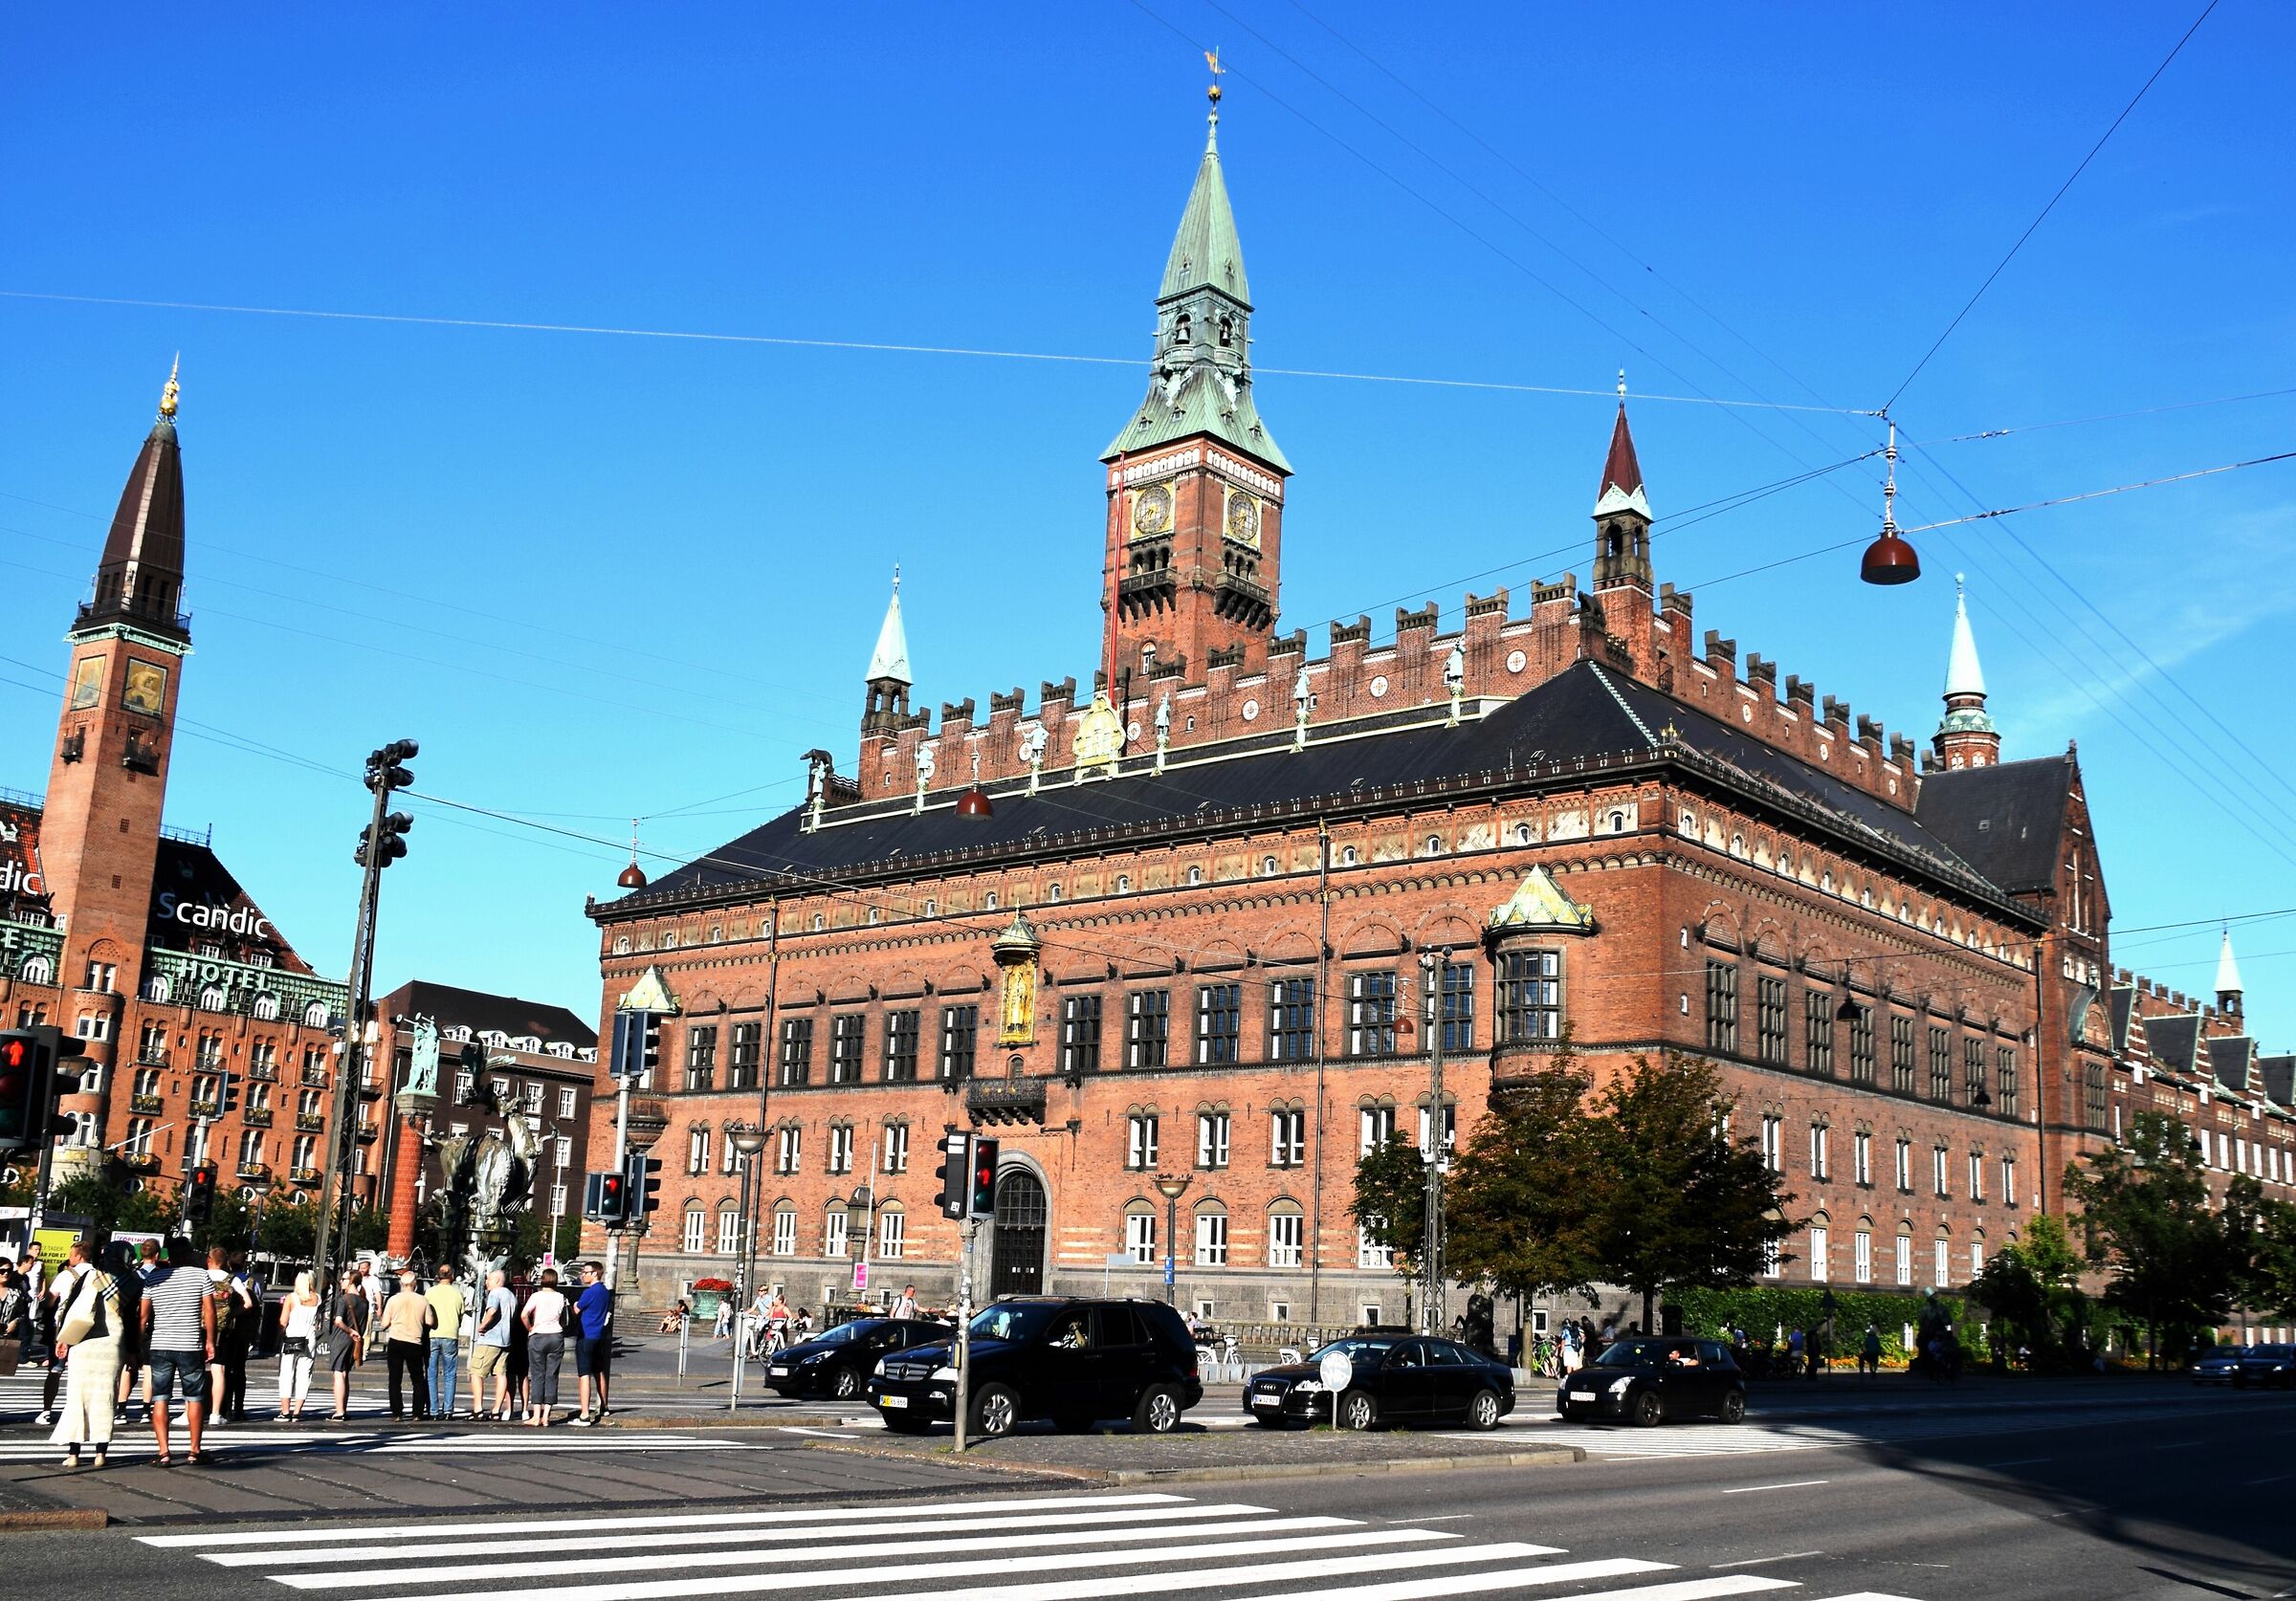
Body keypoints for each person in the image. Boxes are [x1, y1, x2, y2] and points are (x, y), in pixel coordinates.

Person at [141, 1238, 217, 1466]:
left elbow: (143, 1316)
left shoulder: (153, 1278)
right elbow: (210, 1311)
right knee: (194, 1397)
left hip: (161, 1344)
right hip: (189, 1344)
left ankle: (164, 1452)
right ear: (189, 1254)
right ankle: (194, 1450)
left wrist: (137, 1342)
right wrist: (211, 1341)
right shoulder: (200, 1276)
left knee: (160, 1398)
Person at [49, 1241, 121, 1470]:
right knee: (106, 1397)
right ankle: (101, 1453)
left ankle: (74, 1454)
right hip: (113, 1343)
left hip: (85, 1343)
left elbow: (80, 1311)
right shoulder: (128, 1281)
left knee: (77, 1398)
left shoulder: (89, 1278)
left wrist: (64, 1339)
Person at [380, 1267, 434, 1421]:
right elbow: (429, 1321)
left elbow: (384, 1324)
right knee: (417, 1379)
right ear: (415, 1284)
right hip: (414, 1342)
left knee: (395, 1379)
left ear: (401, 1284)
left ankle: (397, 1412)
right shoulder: (422, 1300)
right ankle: (417, 1412)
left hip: (396, 1341)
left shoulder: (393, 1300)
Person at [521, 1267, 569, 1427]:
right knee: (552, 1375)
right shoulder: (561, 1297)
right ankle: (546, 1416)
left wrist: (530, 1327)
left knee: (537, 1375)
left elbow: (524, 1314)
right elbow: (565, 1317)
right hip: (556, 1336)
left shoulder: (536, 1296)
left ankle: (536, 1415)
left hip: (538, 1335)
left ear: (542, 1279)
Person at [570, 1261, 613, 1425]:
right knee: (599, 1371)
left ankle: (585, 1414)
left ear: (595, 1273)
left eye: (586, 1271)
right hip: (599, 1336)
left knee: (584, 1374)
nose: (583, 1274)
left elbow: (576, 1310)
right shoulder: (604, 1291)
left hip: (586, 1335)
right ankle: (604, 1406)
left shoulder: (590, 1292)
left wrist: (573, 1305)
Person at [470, 1268, 516, 1420]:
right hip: (506, 1340)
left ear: (497, 1281)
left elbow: (492, 1311)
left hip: (490, 1339)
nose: (486, 1282)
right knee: (500, 1374)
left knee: (476, 1372)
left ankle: (478, 1409)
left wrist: (482, 1326)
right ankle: (496, 1410)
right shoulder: (511, 1296)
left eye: (488, 1280)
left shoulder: (495, 1294)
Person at [276, 1271, 321, 1420]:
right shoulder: (318, 1298)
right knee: (305, 1374)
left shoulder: (292, 1298)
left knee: (286, 1374)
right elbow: (318, 1321)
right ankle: (297, 1412)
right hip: (309, 1338)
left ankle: (285, 1411)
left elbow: (283, 1321)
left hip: (292, 1338)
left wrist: (279, 1335)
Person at [424, 1266, 467, 1419]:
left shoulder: (430, 1292)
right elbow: (461, 1315)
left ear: (438, 1276)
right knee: (450, 1374)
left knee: (431, 1374)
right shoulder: (457, 1293)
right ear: (452, 1276)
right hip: (450, 1334)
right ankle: (448, 1410)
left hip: (433, 1334)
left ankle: (433, 1410)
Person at [326, 1267, 368, 1420]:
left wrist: (349, 1331)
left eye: (343, 1279)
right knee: (345, 1373)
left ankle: (339, 1411)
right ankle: (343, 1408)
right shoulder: (364, 1302)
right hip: (355, 1341)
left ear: (350, 1282)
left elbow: (338, 1321)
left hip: (342, 1338)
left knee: (338, 1373)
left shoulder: (344, 1299)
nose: (341, 1282)